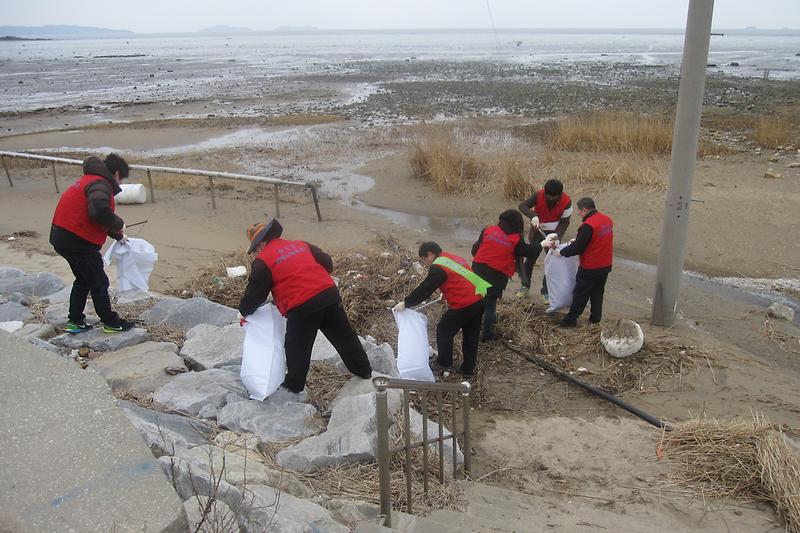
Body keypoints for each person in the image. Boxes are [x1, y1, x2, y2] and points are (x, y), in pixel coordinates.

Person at [238, 219, 373, 393]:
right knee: (344, 335)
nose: (257, 252)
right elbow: (326, 261)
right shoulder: (300, 245)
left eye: (256, 248)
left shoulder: (263, 261)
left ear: (261, 243)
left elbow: (255, 293)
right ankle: (364, 370)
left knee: (297, 346)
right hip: (328, 294)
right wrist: (315, 277)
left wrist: (243, 312)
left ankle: (294, 385)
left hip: (302, 305)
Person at [50, 154, 135, 333]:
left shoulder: (90, 180)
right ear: (117, 173)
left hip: (62, 237)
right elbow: (99, 211)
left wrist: (118, 235)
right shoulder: (100, 184)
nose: (120, 183)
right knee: (99, 282)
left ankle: (75, 321)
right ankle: (111, 322)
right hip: (77, 241)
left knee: (83, 280)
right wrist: (118, 223)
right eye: (121, 179)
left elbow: (93, 216)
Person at [393, 242, 488, 379]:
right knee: (471, 336)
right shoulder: (452, 258)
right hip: (479, 299)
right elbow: (461, 277)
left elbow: (425, 288)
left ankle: (444, 363)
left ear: (430, 255)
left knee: (443, 330)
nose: (426, 264)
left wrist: (406, 303)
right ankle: (468, 369)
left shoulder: (438, 267)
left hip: (465, 304)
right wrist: (447, 291)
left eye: (424, 260)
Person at [471, 209, 542, 341]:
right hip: (496, 275)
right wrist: (542, 244)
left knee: (477, 299)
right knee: (490, 305)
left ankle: (472, 327)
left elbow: (475, 250)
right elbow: (529, 252)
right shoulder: (515, 239)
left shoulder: (489, 230)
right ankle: (486, 334)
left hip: (478, 269)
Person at [548, 197, 613, 327]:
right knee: (598, 292)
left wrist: (561, 252)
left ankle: (570, 320)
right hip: (605, 264)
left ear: (585, 210)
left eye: (579, 210)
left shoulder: (588, 225)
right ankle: (595, 319)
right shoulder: (607, 220)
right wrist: (578, 239)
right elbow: (596, 239)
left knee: (580, 293)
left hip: (590, 266)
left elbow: (578, 248)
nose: (578, 213)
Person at [517, 179, 572, 302]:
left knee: (551, 262)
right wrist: (533, 216)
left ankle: (546, 291)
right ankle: (525, 286)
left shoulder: (567, 202)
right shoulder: (538, 195)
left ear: (559, 194)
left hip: (553, 235)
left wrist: (557, 236)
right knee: (530, 260)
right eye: (548, 195)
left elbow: (565, 221)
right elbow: (522, 206)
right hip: (537, 232)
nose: (550, 198)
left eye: (553, 196)